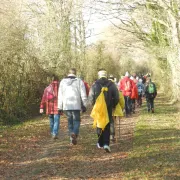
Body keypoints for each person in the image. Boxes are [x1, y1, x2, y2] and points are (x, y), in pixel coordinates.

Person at [89, 70, 119, 152]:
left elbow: (91, 98)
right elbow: (116, 97)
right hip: (108, 108)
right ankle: (106, 143)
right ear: (106, 75)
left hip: (98, 108)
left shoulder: (95, 85)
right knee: (107, 124)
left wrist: (93, 105)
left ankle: (100, 142)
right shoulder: (111, 84)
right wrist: (114, 105)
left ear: (99, 75)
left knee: (99, 124)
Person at [58, 68, 87, 145]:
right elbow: (83, 94)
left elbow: (60, 95)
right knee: (77, 121)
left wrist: (59, 107)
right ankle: (74, 133)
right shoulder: (79, 81)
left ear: (68, 73)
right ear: (75, 73)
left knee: (70, 121)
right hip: (76, 105)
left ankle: (71, 138)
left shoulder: (62, 82)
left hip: (66, 105)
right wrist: (84, 105)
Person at [40, 74, 61, 139]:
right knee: (56, 121)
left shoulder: (47, 88)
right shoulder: (60, 87)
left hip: (49, 107)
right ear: (57, 79)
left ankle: (52, 132)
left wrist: (41, 107)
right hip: (57, 106)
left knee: (51, 120)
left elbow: (44, 98)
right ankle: (54, 133)